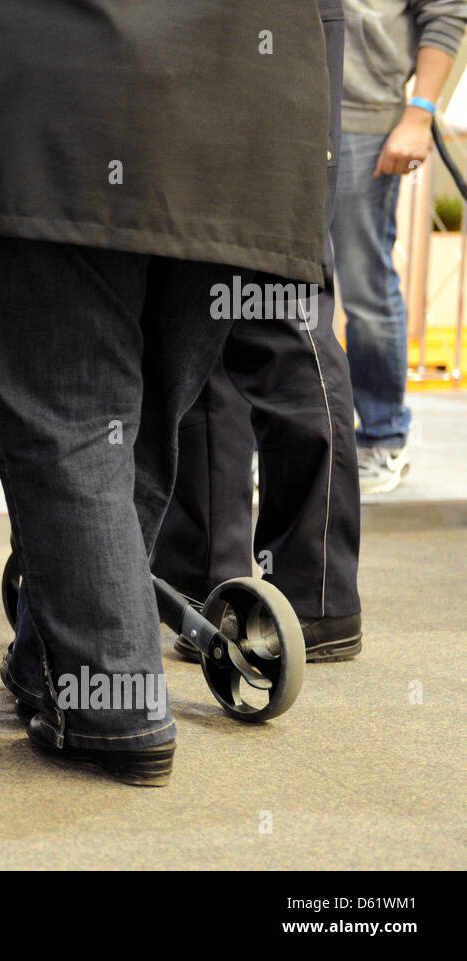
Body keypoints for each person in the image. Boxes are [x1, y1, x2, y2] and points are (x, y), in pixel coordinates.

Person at [0, 0, 332, 786]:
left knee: (69, 422)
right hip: (250, 127)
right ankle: (56, 664)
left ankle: (115, 707)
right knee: (133, 427)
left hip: (67, 106)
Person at [153, 0, 366, 664]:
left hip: (282, 25)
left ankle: (316, 593)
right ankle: (202, 577)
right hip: (176, 27)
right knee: (196, 289)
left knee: (280, 299)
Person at [332, 0, 467, 493]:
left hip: (364, 118)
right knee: (280, 292)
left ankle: (383, 438)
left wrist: (421, 111)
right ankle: (278, 442)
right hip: (282, 113)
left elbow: (447, 13)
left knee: (365, 286)